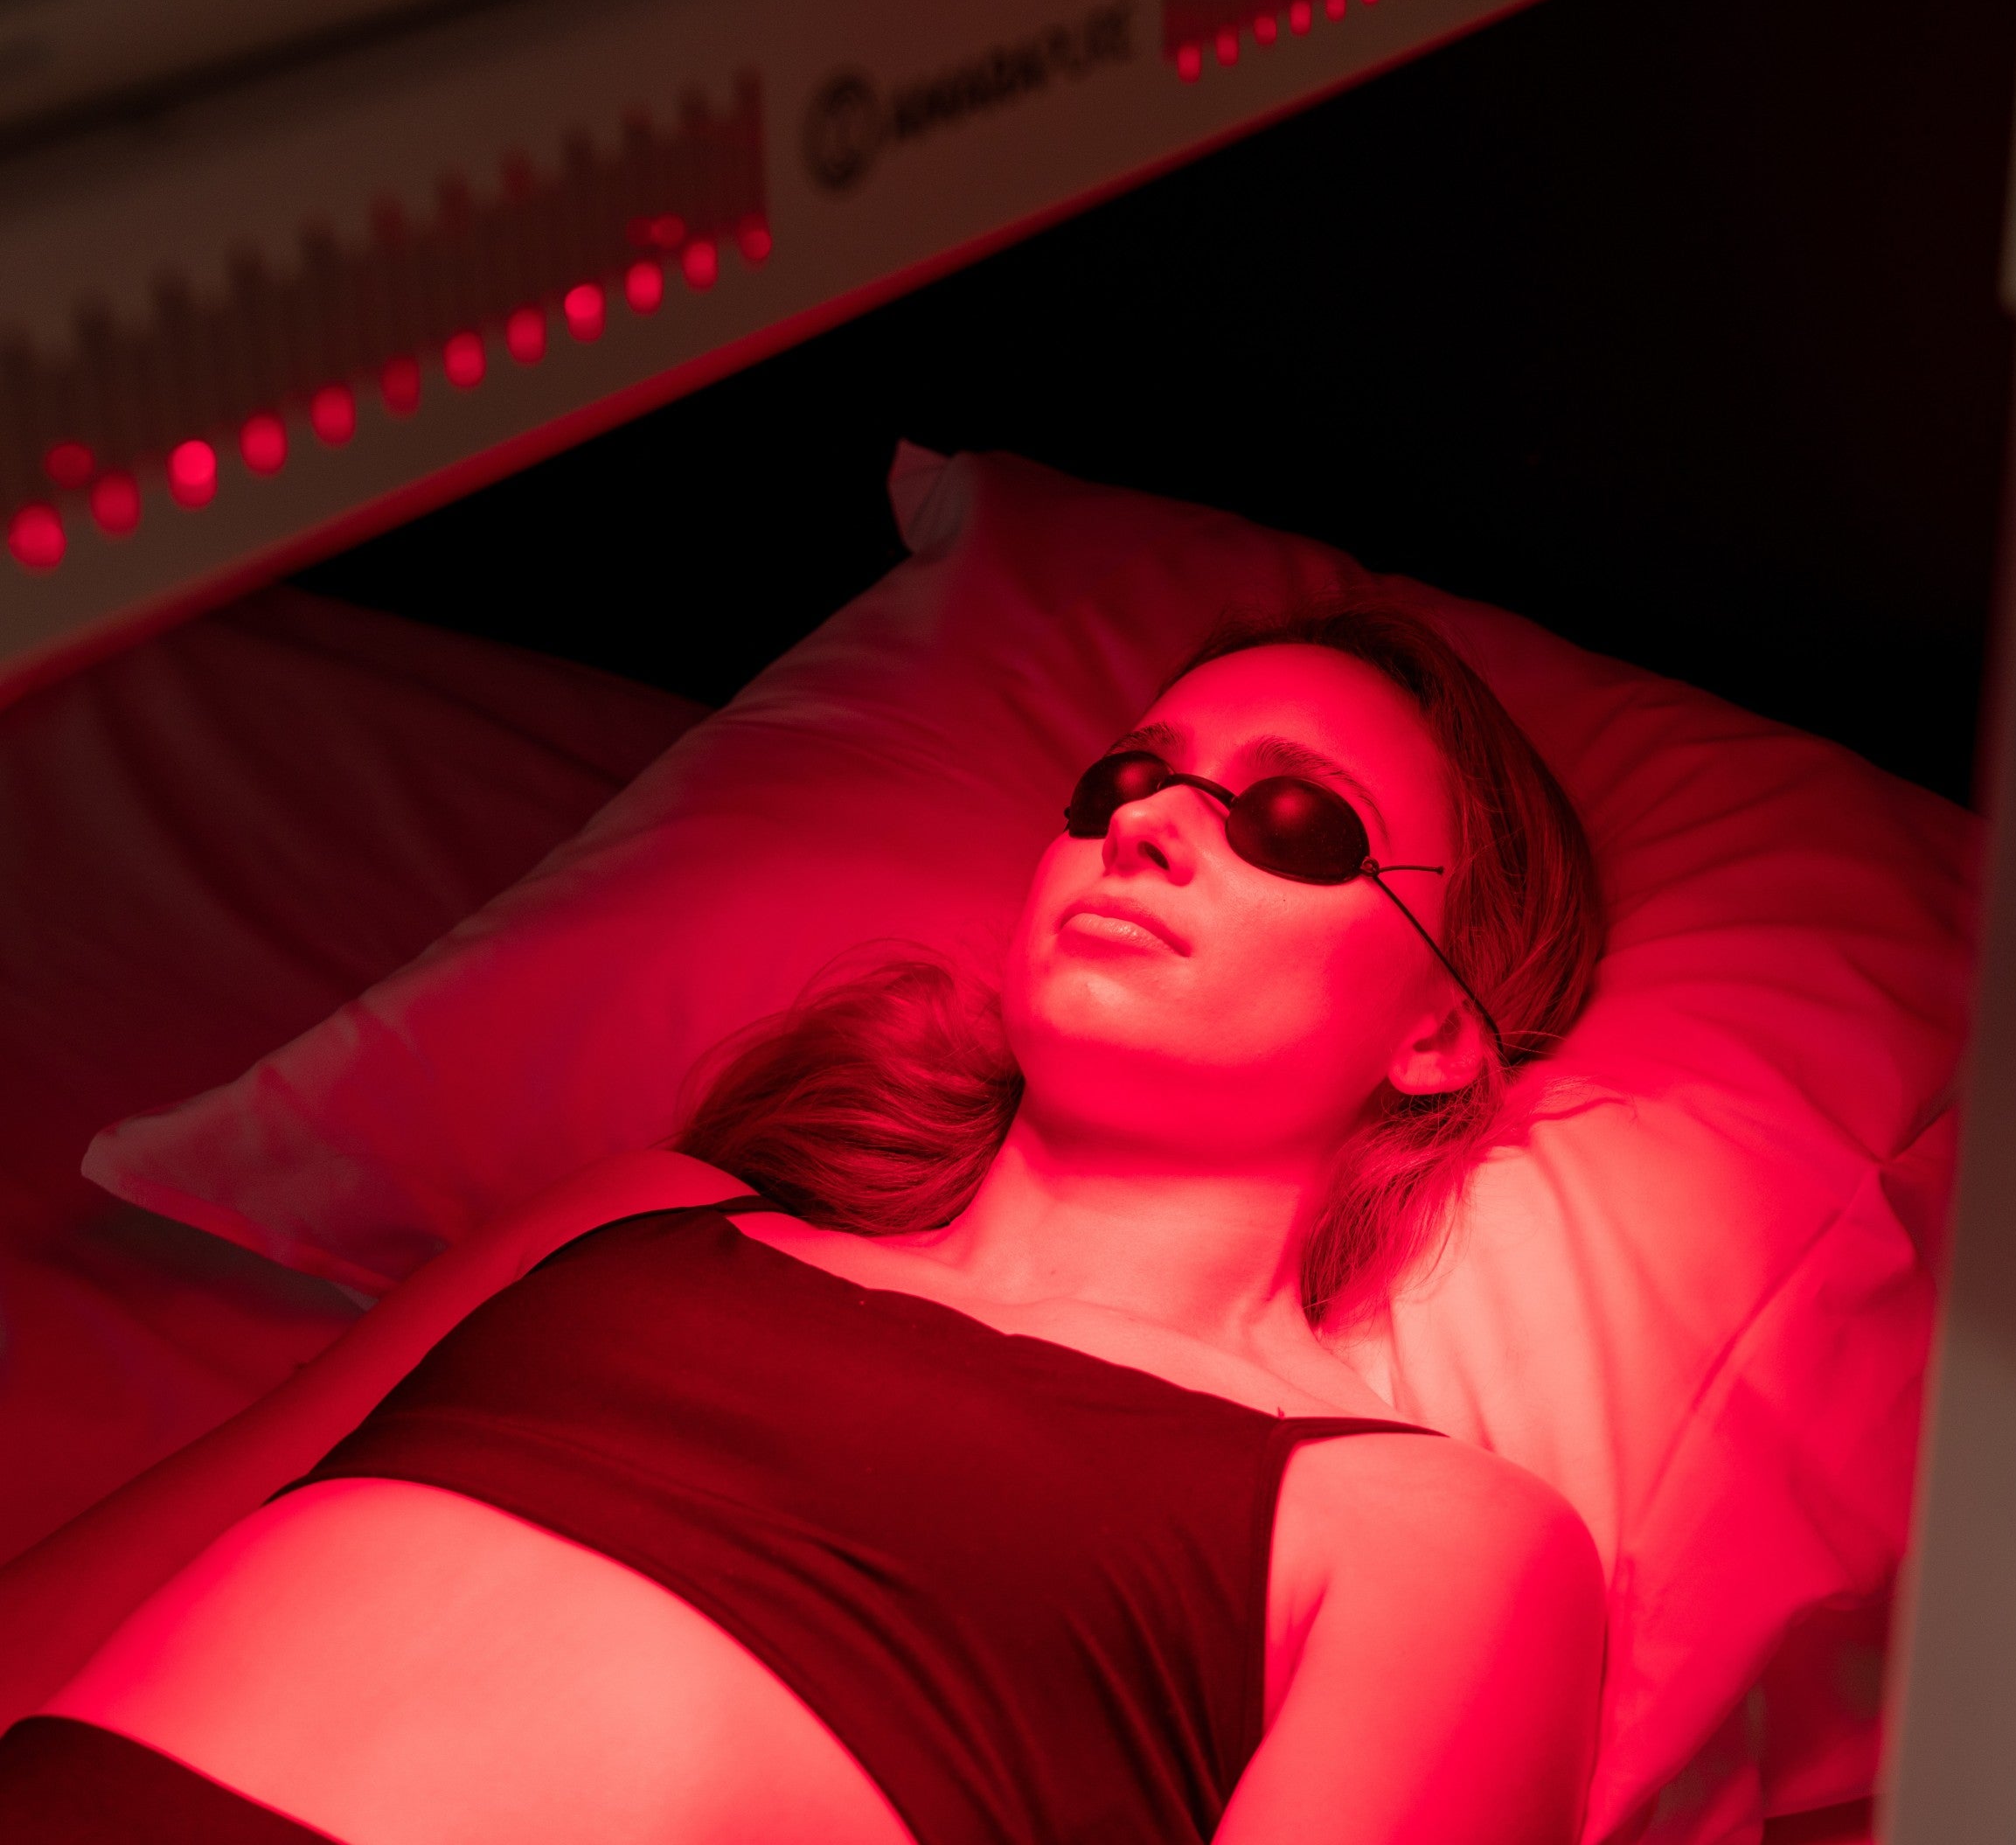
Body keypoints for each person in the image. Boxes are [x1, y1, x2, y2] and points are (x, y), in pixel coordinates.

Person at [0, 602, 1608, 1845]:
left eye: (1295, 820)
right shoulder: (646, 1220)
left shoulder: (1427, 1536)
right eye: (1122, 778)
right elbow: (97, 1592)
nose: (1146, 824)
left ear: (1439, 1033)